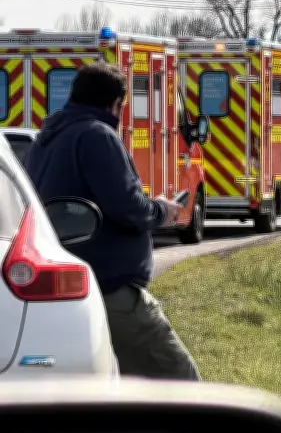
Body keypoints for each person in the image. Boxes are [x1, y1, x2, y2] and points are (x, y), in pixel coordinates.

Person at [24, 63, 200, 381]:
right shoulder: (97, 136)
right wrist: (162, 210)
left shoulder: (44, 141)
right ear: (115, 104)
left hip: (68, 288)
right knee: (179, 379)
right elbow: (128, 206)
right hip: (110, 288)